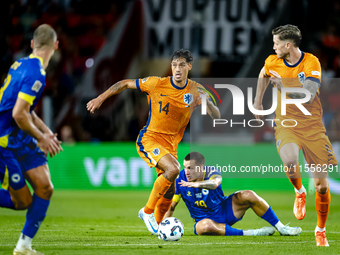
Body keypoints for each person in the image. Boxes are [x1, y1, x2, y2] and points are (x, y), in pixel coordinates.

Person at [87, 49, 220, 235]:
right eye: (174, 65)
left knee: (170, 188)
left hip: (170, 147)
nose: (177, 69)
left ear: (189, 66)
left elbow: (217, 114)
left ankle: (158, 227)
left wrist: (209, 104)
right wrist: (101, 98)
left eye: (182, 65)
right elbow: (125, 83)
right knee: (173, 169)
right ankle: (147, 212)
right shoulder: (157, 83)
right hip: (149, 139)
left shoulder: (196, 90)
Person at [253, 24, 338, 246]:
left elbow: (309, 95)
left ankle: (320, 230)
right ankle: (299, 191)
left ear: (288, 45)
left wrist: (284, 88)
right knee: (290, 160)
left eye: (276, 43)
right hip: (286, 123)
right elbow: (263, 73)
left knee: (321, 187)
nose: (273, 47)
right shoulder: (273, 61)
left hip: (312, 127)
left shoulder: (311, 62)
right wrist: (257, 101)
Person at [0, 24, 62, 255]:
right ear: (55, 45)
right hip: (4, 141)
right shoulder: (36, 73)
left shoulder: (21, 64)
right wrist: (41, 138)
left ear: (32, 44)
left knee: (45, 187)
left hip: (20, 136)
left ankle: (23, 247)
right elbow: (18, 114)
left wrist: (45, 132)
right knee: (22, 202)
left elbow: (27, 109)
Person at [165, 152, 302, 236]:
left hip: (225, 210)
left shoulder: (212, 171)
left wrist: (196, 184)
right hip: (204, 220)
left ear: (201, 167)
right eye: (185, 167)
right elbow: (171, 206)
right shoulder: (179, 179)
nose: (186, 171)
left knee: (249, 194)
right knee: (205, 227)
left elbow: (215, 184)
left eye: (191, 168)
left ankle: (282, 228)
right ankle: (252, 233)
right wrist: (163, 226)